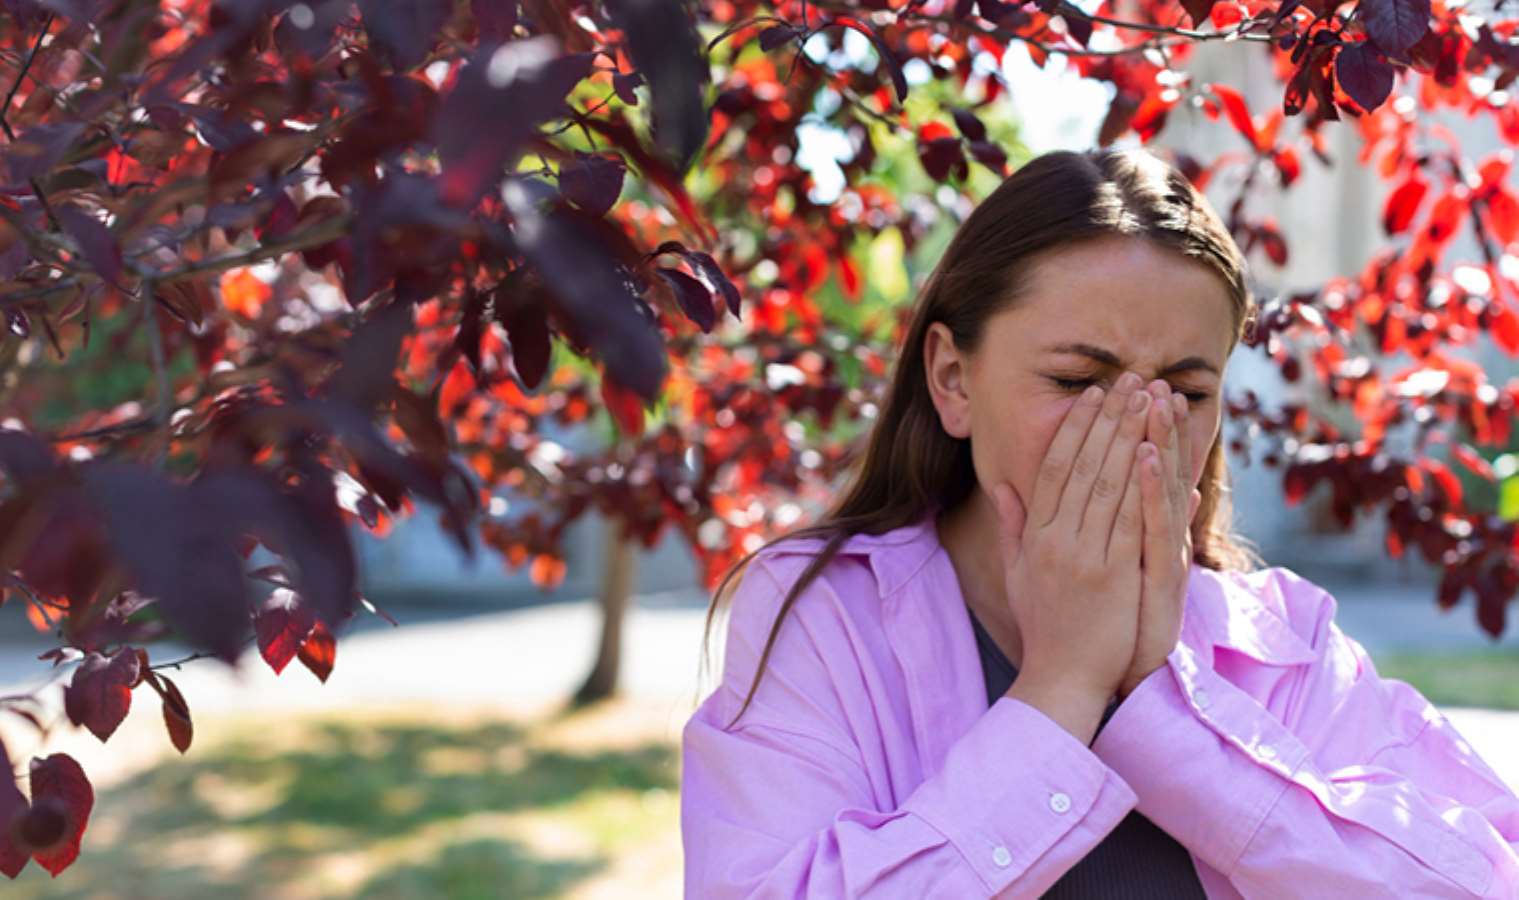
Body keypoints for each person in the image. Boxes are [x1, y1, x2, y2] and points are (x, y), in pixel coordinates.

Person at [679, 146, 1519, 898]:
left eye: (1187, 394)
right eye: (1079, 381)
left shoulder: (1284, 640)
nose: (1141, 429)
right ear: (952, 378)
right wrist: (1061, 690)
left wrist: (1162, 712)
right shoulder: (824, 614)